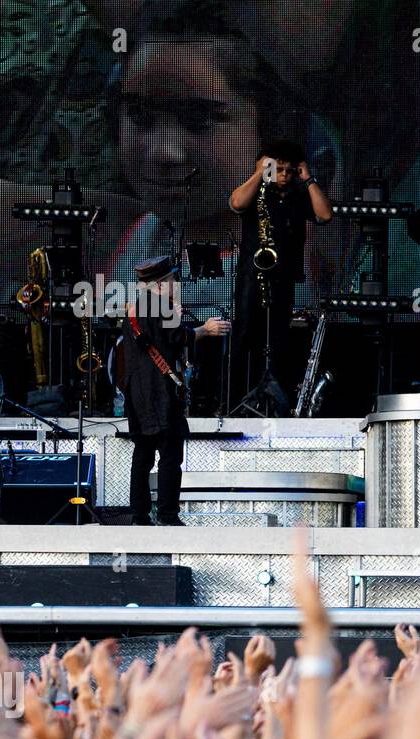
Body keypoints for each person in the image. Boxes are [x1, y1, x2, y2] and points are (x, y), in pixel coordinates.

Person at [120, 255, 228, 526]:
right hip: (160, 391)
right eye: (171, 280)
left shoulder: (133, 310)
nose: (175, 284)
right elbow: (181, 338)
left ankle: (140, 516)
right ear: (159, 284)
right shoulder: (160, 306)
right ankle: (168, 515)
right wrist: (207, 329)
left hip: (137, 392)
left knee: (143, 455)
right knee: (170, 455)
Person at [228, 139, 332, 413]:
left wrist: (308, 179)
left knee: (278, 339)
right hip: (252, 275)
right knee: (245, 334)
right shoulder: (258, 191)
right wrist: (259, 172)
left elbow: (325, 215)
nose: (284, 176)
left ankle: (274, 396)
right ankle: (235, 398)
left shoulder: (299, 194)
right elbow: (236, 203)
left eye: (289, 170)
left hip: (284, 276)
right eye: (279, 169)